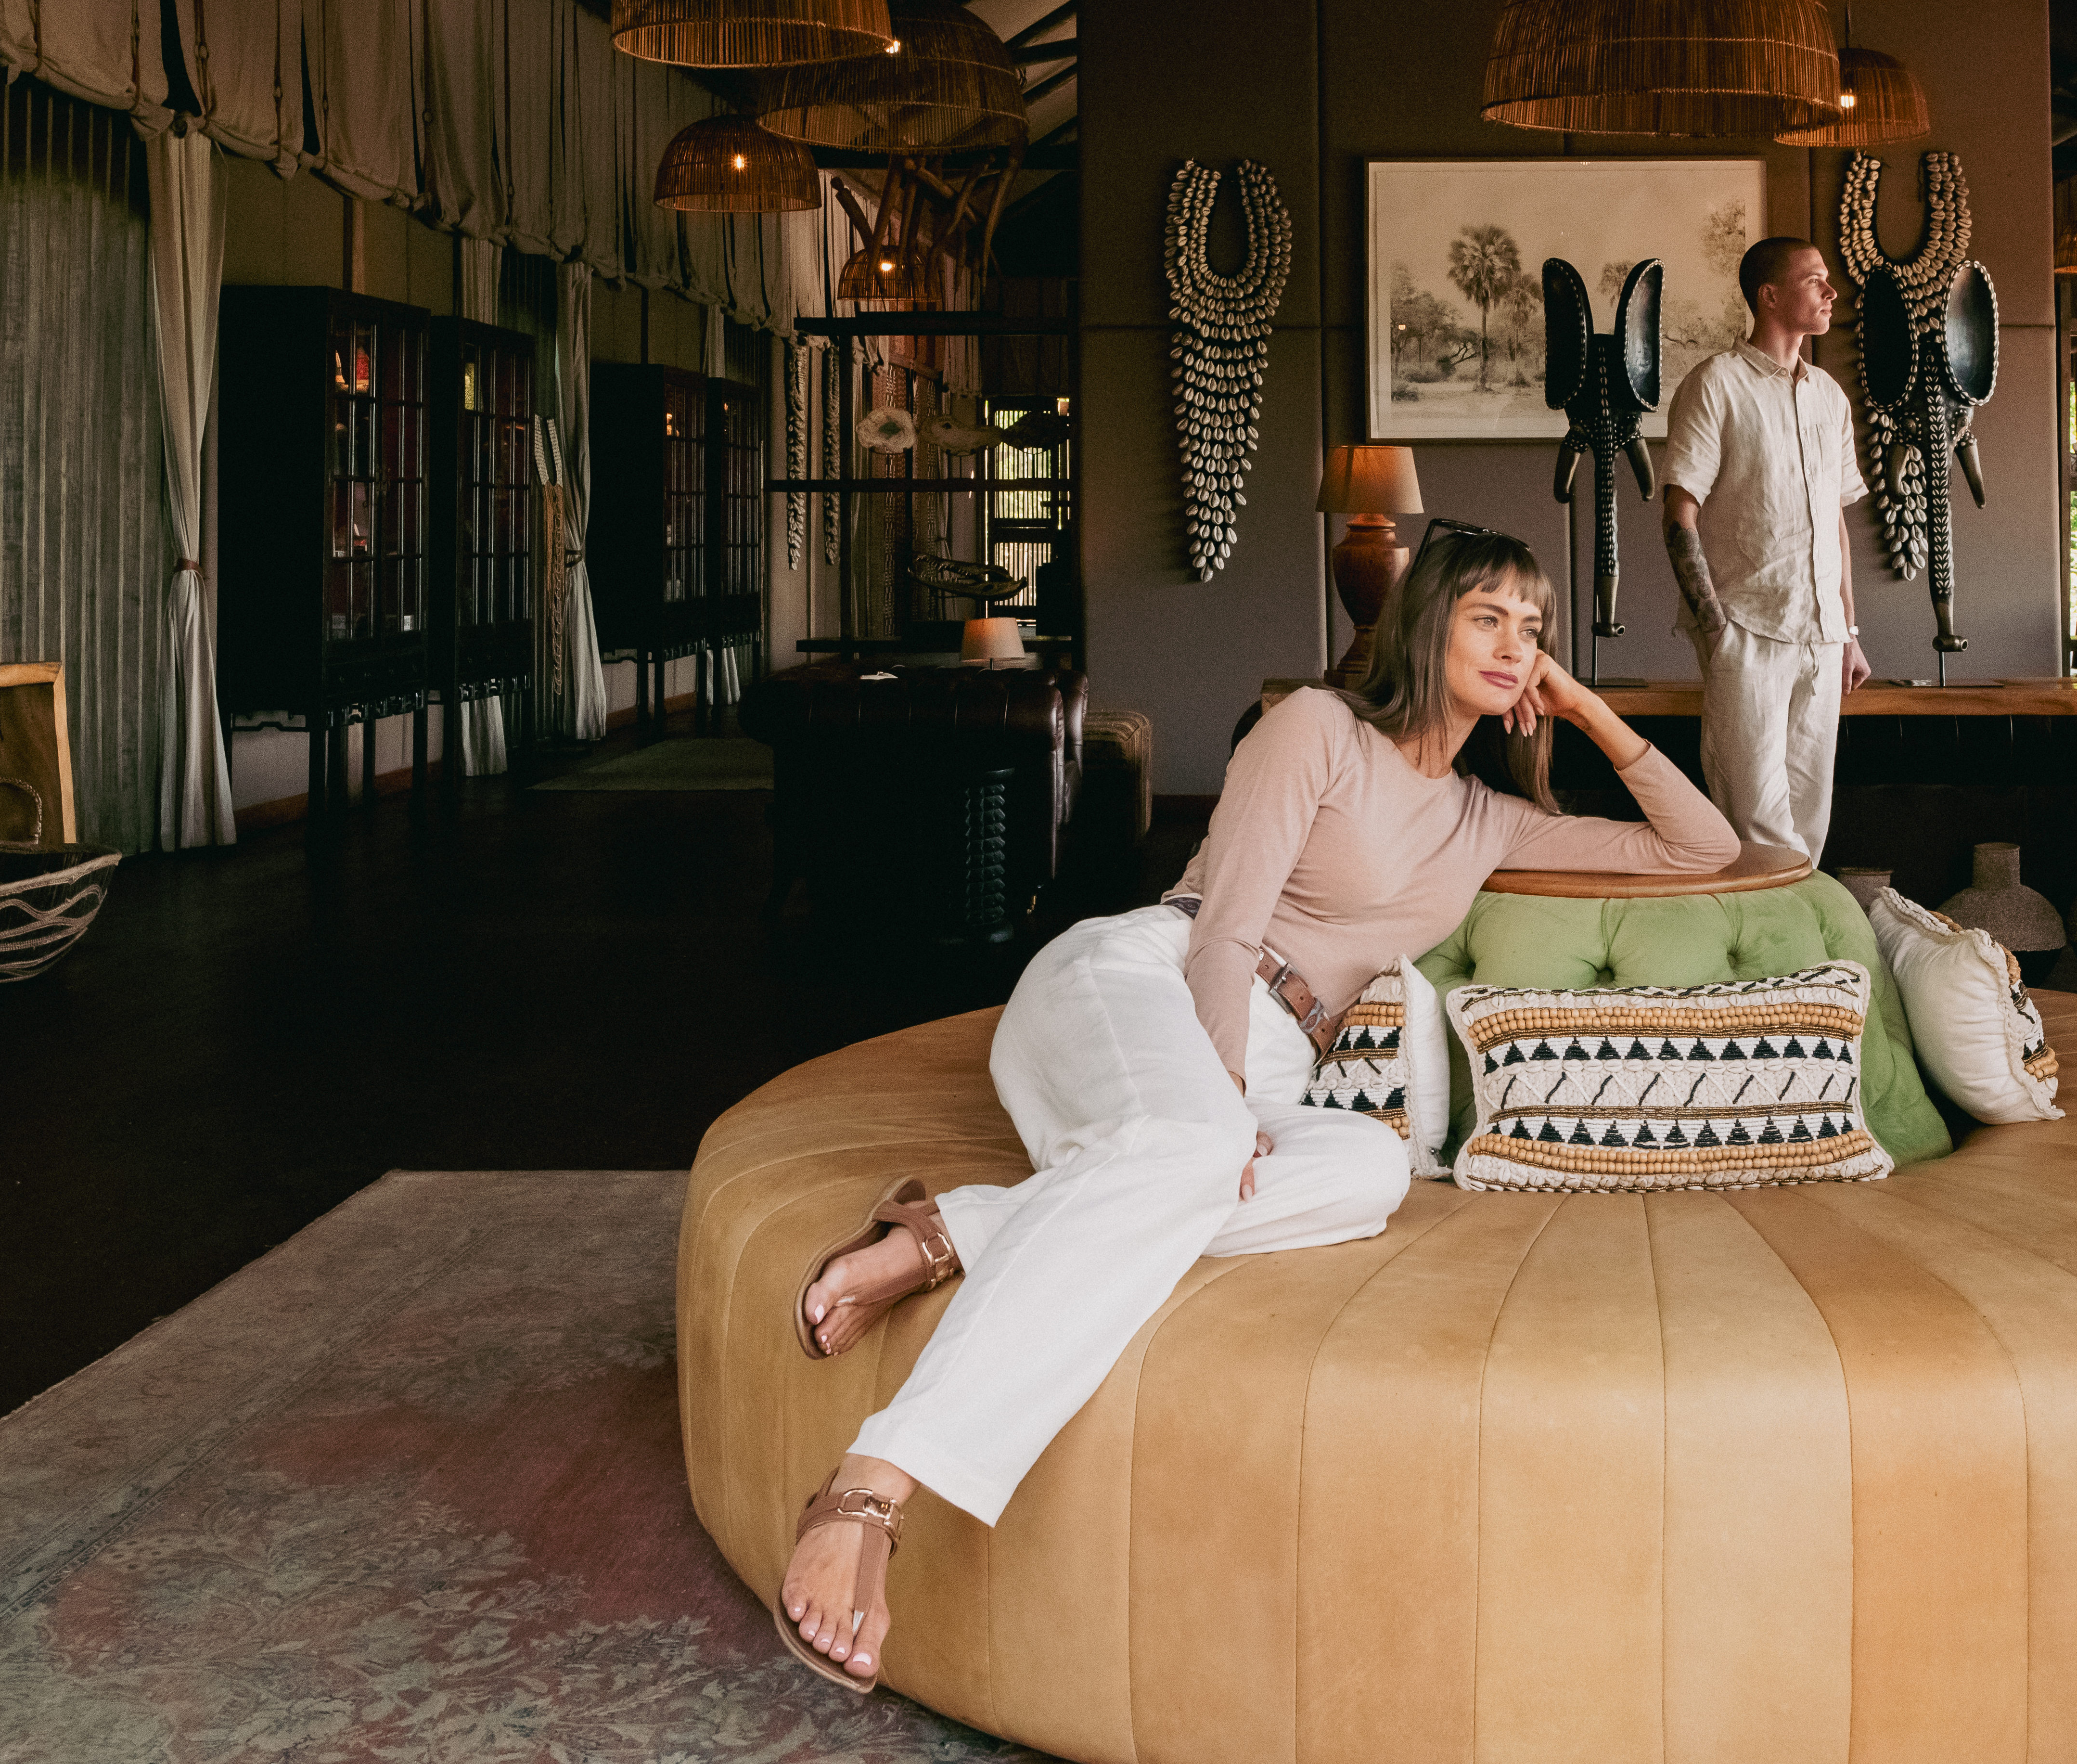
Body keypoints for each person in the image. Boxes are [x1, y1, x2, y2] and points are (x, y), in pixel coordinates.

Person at [773, 529, 1737, 1691]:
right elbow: (1225, 925)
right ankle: (872, 1486)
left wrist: (1585, 709)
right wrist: (1222, 1100)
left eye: (1532, 629)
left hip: (1263, 1076)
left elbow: (1705, 847)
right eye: (1489, 616)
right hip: (1141, 985)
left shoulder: (1489, 822)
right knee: (1186, 1149)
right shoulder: (1317, 729)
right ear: (1426, 621)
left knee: (1367, 1175)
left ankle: (950, 1232)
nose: (1515, 644)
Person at [1660, 234, 1871, 856]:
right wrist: (1716, 633)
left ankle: (1800, 950)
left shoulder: (1829, 397)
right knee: (1751, 825)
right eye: (1814, 280)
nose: (1831, 291)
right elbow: (1678, 515)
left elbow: (1832, 522)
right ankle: (1761, 949)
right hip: (1746, 634)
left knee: (1811, 822)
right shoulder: (1715, 385)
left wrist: (1849, 632)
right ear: (1770, 295)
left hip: (1823, 640)